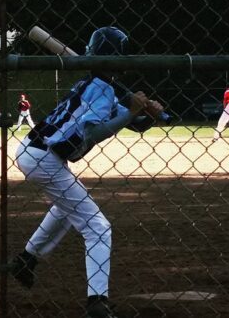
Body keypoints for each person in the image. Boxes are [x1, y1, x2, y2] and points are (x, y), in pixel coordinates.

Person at [10, 27, 163, 318]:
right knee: (98, 227)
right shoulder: (100, 89)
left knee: (66, 208)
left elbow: (134, 122)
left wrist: (146, 114)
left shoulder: (99, 85)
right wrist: (130, 112)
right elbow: (95, 132)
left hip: (38, 153)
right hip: (45, 157)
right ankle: (97, 302)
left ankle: (27, 259)